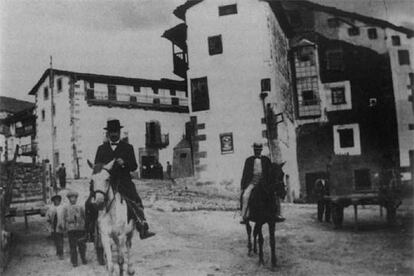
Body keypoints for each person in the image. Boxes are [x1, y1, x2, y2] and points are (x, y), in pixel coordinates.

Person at [87, 119, 155, 240]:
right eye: (111, 132)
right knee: (90, 201)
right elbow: (97, 167)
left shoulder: (128, 147)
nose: (113, 134)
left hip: (123, 181)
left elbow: (134, 166)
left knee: (135, 199)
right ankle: (89, 231)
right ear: (108, 134)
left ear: (119, 132)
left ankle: (142, 225)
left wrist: (124, 163)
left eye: (116, 132)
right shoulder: (101, 148)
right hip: (105, 182)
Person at [240, 142, 273, 224]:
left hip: (264, 183)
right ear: (253, 150)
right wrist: (243, 186)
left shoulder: (266, 160)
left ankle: (276, 214)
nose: (257, 151)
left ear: (261, 150)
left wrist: (270, 184)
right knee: (245, 195)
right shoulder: (249, 160)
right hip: (252, 182)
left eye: (259, 150)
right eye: (255, 150)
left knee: (274, 195)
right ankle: (245, 215)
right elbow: (245, 174)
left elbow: (270, 173)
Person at [61, 190, 87, 267]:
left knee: (82, 245)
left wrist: (85, 226)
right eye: (71, 198)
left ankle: (83, 258)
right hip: (71, 229)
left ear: (76, 198)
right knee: (72, 246)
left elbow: (85, 216)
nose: (73, 199)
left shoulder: (81, 206)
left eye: (74, 198)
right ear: (69, 199)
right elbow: (64, 218)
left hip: (80, 228)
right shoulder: (66, 207)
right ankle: (74, 261)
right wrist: (64, 227)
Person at [46, 194, 64, 259]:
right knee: (55, 239)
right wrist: (49, 224)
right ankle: (58, 251)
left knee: (60, 239)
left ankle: (61, 253)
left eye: (58, 200)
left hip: (60, 225)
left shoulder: (62, 208)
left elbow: (64, 217)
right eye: (55, 200)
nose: (57, 201)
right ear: (53, 201)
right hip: (53, 225)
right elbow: (48, 217)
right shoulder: (51, 208)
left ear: (60, 201)